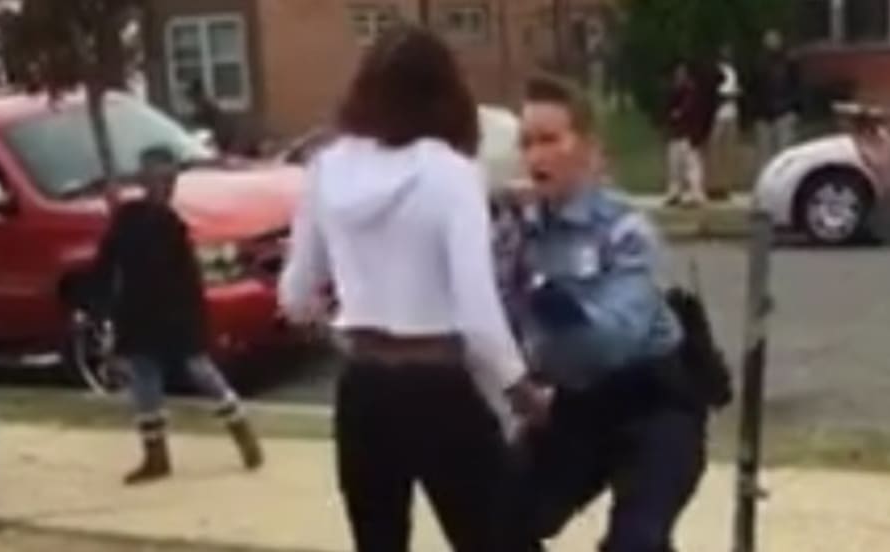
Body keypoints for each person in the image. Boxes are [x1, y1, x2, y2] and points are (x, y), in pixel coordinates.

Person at [278, 26, 550, 552]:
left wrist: (338, 316)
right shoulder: (452, 174)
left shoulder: (326, 169)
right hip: (437, 383)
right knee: (499, 538)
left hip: (363, 387)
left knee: (378, 539)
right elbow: (477, 314)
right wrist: (521, 391)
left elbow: (295, 295)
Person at [506, 76, 708, 552]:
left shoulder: (624, 229)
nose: (535, 156)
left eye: (550, 140)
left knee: (636, 541)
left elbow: (614, 337)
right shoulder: (516, 230)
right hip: (577, 403)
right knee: (498, 522)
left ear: (589, 150)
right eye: (527, 143)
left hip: (654, 403)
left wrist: (538, 290)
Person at [90, 146, 263, 485]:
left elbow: (187, 280)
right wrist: (102, 305)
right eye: (156, 178)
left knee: (200, 370)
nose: (163, 186)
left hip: (174, 312)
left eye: (168, 180)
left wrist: (194, 320)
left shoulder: (171, 225)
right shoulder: (128, 218)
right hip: (138, 312)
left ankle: (241, 430)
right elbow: (108, 262)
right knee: (145, 379)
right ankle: (156, 454)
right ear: (143, 180)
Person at [752, 29, 801, 168]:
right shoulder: (759, 64)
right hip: (764, 114)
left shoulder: (789, 62)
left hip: (784, 111)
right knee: (765, 155)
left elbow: (797, 86)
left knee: (784, 152)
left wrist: (795, 109)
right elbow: (754, 89)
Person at [664, 61, 708, 207]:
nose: (679, 76)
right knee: (674, 165)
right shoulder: (674, 89)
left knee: (691, 165)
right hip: (676, 133)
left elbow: (688, 110)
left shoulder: (691, 90)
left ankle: (696, 194)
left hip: (688, 133)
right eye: (677, 73)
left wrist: (679, 113)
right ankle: (675, 192)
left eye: (682, 73)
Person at [707, 45, 743, 200]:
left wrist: (736, 94)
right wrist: (728, 96)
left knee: (728, 151)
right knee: (715, 150)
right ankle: (713, 185)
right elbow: (712, 92)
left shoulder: (734, 71)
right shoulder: (715, 71)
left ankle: (726, 186)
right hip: (718, 115)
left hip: (732, 114)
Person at [187, 80, 239, 154]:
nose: (191, 100)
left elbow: (207, 126)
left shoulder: (205, 106)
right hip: (217, 138)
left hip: (219, 138)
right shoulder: (204, 106)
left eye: (192, 96)